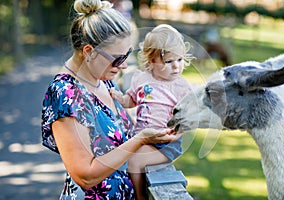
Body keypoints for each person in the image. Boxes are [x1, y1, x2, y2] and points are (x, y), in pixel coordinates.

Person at [41, 1, 183, 199]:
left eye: (127, 56)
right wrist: (140, 140)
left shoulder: (103, 80)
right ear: (89, 51)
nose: (123, 66)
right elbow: (85, 177)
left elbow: (120, 138)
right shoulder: (66, 94)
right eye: (118, 59)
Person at [110, 24, 194, 200]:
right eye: (169, 62)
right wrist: (119, 98)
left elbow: (188, 119)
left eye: (179, 60)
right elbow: (132, 100)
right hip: (142, 137)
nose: (176, 67)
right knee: (120, 155)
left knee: (134, 160)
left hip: (166, 143)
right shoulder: (142, 79)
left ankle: (140, 198)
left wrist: (175, 134)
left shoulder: (181, 87)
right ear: (151, 61)